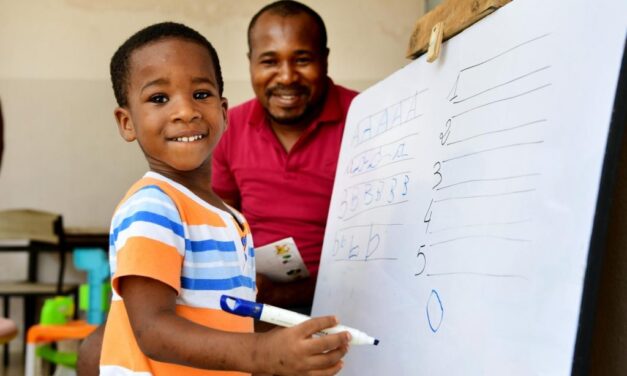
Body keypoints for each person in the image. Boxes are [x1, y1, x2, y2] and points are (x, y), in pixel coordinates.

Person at [94, 21, 350, 376]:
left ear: (225, 112)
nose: (186, 111)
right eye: (159, 98)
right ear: (127, 123)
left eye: (201, 94)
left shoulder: (228, 217)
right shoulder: (152, 207)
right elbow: (151, 330)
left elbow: (229, 323)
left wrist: (283, 352)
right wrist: (263, 353)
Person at [212, 0, 358, 312]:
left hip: (348, 302)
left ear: (325, 60)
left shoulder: (365, 118)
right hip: (254, 300)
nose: (287, 77)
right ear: (251, 63)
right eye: (269, 62)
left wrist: (283, 295)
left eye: (302, 60)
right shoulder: (229, 128)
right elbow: (218, 224)